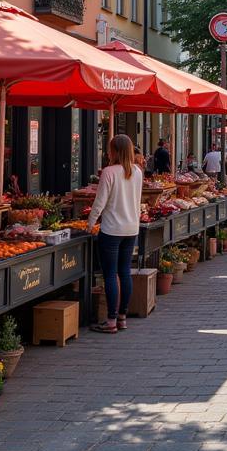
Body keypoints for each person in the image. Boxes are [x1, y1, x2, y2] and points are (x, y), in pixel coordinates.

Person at [88, 134, 143, 334]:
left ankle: (110, 320)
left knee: (110, 274)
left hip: (111, 230)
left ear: (114, 151)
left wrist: (90, 223)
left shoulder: (109, 172)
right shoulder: (137, 172)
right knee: (125, 272)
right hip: (131, 229)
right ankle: (122, 317)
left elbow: (99, 202)